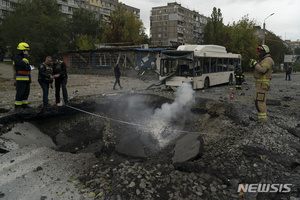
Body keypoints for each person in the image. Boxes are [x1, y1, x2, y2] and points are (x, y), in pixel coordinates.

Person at [249, 44, 274, 123]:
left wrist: (255, 64)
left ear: (264, 51)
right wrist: (254, 65)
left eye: (260, 52)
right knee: (258, 101)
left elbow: (263, 70)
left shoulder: (268, 60)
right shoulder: (264, 59)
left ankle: (262, 120)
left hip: (262, 85)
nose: (259, 54)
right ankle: (261, 119)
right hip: (260, 84)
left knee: (260, 102)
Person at [13, 42, 33, 110]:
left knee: (26, 93)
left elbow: (27, 67)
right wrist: (25, 56)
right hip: (21, 78)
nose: (27, 52)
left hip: (27, 78)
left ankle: (24, 105)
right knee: (20, 93)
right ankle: (18, 106)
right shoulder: (17, 57)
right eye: (26, 50)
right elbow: (23, 64)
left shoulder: (24, 58)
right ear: (22, 50)